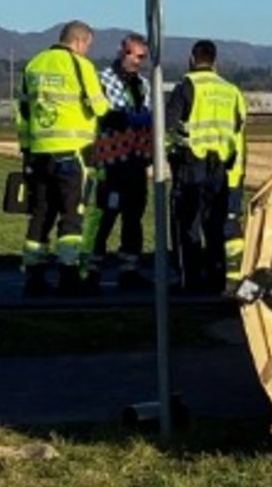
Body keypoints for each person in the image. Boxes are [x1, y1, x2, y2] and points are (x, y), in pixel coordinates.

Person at [16, 20, 108, 296]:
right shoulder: (80, 66)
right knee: (72, 216)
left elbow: (22, 111)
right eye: (87, 46)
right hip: (72, 152)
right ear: (79, 42)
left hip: (38, 153)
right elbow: (100, 107)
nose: (87, 51)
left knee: (41, 214)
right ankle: (68, 275)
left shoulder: (34, 64)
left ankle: (34, 276)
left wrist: (27, 149)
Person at [166, 39, 246, 294]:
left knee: (187, 224)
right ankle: (216, 277)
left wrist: (174, 153)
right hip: (221, 167)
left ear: (192, 58)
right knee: (215, 225)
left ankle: (189, 280)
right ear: (215, 62)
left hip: (192, 163)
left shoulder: (186, 86)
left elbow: (168, 127)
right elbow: (239, 130)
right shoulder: (231, 90)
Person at [81, 32, 153, 292]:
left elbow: (151, 117)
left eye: (142, 57)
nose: (137, 61)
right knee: (102, 219)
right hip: (109, 164)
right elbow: (99, 115)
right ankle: (90, 272)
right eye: (133, 55)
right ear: (122, 52)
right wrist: (122, 118)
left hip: (136, 162)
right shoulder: (102, 80)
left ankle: (129, 271)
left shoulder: (144, 85)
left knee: (133, 219)